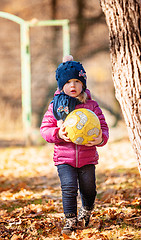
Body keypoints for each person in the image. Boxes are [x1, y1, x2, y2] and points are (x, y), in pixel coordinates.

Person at [40, 55, 109, 235]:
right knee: (69, 188)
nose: (73, 86)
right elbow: (45, 129)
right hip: (64, 157)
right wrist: (58, 134)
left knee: (89, 188)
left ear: (83, 84)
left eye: (77, 81)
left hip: (87, 158)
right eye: (68, 82)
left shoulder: (91, 106)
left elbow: (103, 127)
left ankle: (87, 210)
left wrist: (101, 139)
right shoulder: (56, 107)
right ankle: (70, 220)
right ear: (61, 85)